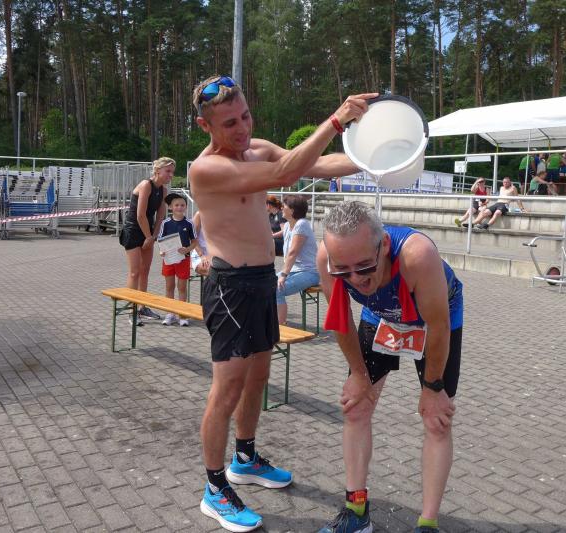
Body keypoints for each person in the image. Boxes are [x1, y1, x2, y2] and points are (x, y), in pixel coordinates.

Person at [187, 74, 374, 532]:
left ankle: (245, 458)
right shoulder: (205, 169)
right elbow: (286, 173)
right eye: (230, 123)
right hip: (230, 288)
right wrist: (335, 121)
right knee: (227, 389)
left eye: (245, 116)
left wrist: (378, 158)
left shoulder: (257, 149)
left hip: (262, 283)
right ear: (205, 126)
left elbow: (320, 164)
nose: (243, 128)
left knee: (258, 380)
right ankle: (214, 487)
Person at [316, 201, 463, 533]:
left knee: (437, 419)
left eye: (364, 266)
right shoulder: (326, 258)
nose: (355, 279)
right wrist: (358, 374)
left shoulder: (417, 255)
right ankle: (356, 512)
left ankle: (428, 524)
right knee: (356, 407)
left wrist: (433, 388)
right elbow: (341, 319)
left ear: (383, 245)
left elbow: (438, 326)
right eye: (343, 271)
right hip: (381, 314)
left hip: (434, 318)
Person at [118, 156, 175, 324]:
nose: (171, 175)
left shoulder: (163, 191)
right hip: (133, 231)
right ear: (157, 170)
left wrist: (153, 236)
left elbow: (161, 216)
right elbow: (140, 215)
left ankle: (142, 307)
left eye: (172, 172)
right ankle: (132, 310)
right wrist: (148, 237)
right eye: (168, 171)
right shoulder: (145, 185)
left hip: (148, 232)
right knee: (134, 272)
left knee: (145, 271)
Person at [276, 195, 319, 324]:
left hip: (310, 272)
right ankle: (269, 322)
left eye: (284, 206)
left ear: (293, 210)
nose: (281, 208)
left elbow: (293, 252)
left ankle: (279, 327)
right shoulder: (287, 226)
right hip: (295, 270)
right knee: (265, 284)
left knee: (276, 289)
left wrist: (283, 275)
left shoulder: (302, 224)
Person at [157, 193, 198, 326]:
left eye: (182, 205)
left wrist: (187, 249)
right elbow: (160, 240)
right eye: (176, 205)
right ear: (170, 207)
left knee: (182, 288)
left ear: (186, 207)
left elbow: (194, 242)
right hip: (169, 259)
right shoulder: (165, 223)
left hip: (183, 260)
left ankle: (182, 315)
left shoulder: (189, 223)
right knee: (169, 287)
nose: (179, 207)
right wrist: (162, 251)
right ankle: (170, 314)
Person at [190, 212, 211, 276]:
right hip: (200, 254)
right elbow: (193, 238)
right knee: (214, 271)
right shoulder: (199, 215)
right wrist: (202, 256)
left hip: (217, 255)